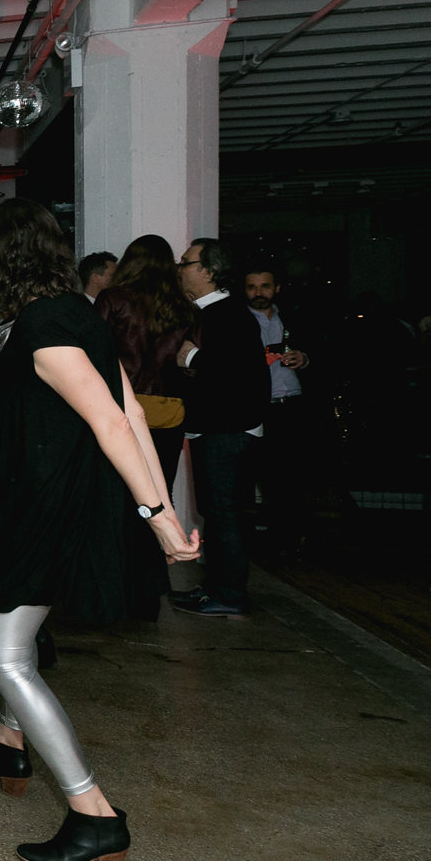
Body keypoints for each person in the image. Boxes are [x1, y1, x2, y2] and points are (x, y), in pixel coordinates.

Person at [0, 201, 199, 861]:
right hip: (44, 507)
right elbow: (129, 413)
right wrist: (167, 513)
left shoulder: (44, 326)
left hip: (37, 513)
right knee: (19, 640)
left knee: (7, 657)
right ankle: (9, 741)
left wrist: (159, 517)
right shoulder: (72, 313)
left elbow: (114, 424)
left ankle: (94, 812)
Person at [171, 238, 269, 618]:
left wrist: (191, 356)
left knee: (223, 511)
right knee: (215, 511)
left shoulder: (229, 314)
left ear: (209, 271)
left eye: (187, 262)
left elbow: (236, 372)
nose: (180, 269)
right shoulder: (210, 313)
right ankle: (215, 587)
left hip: (227, 429)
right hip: (216, 427)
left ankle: (228, 593)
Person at [92, 235, 196, 490]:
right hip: (168, 409)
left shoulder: (112, 299)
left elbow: (93, 354)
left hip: (121, 407)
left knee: (117, 494)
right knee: (160, 492)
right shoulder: (187, 308)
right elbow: (191, 366)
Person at [242, 263, 310, 538]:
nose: (258, 292)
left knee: (291, 477)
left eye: (265, 286)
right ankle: (257, 541)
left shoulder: (293, 317)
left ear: (277, 289)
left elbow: (320, 350)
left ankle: (287, 538)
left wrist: (304, 359)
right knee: (254, 477)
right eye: (251, 286)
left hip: (291, 407)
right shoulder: (238, 321)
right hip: (255, 409)